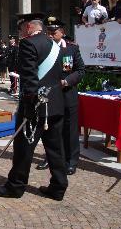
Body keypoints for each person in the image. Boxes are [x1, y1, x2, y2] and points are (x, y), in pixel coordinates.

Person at [0, 14, 68, 201]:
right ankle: (58, 187)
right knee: (56, 149)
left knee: (23, 148)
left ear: (29, 26)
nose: (20, 31)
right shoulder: (54, 45)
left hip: (35, 107)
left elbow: (30, 79)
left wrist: (29, 105)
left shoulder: (29, 44)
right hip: (55, 104)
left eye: (21, 28)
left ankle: (15, 186)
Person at [36, 17, 85, 175]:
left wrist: (68, 81)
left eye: (53, 32)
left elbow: (80, 70)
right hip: (49, 97)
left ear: (62, 32)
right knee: (50, 129)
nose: (50, 35)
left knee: (69, 130)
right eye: (48, 32)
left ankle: (71, 160)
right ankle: (51, 158)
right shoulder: (44, 49)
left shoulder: (71, 49)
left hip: (67, 95)